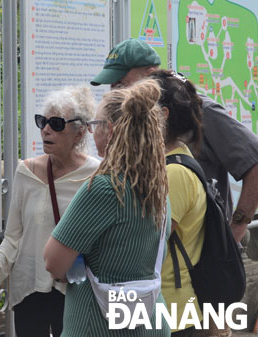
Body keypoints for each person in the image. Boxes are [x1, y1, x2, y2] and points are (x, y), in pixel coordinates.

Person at [91, 38, 258, 243]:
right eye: (112, 87)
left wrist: (236, 228)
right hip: (158, 255)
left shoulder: (199, 111)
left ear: (151, 73)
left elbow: (255, 163)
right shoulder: (134, 121)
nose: (118, 93)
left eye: (121, 84)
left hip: (205, 257)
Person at [44, 79, 171, 337]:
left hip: (98, 326)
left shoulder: (104, 189)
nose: (91, 132)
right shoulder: (157, 188)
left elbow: (53, 262)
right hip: (152, 322)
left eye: (94, 125)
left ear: (109, 130)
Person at [0, 85, 100, 337]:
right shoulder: (26, 172)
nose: (46, 130)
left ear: (79, 132)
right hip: (28, 290)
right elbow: (13, 237)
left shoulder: (96, 176)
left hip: (74, 292)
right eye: (43, 122)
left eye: (56, 123)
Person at [152, 69, 207, 336]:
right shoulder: (177, 158)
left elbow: (151, 242)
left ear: (163, 115)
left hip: (173, 312)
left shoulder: (174, 172)